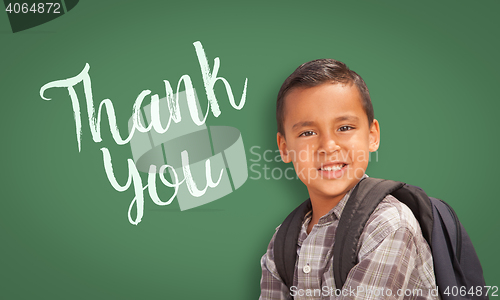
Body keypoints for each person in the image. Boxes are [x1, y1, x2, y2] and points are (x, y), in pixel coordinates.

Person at [259, 59, 439, 299]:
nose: (328, 146)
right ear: (284, 148)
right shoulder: (282, 243)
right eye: (308, 133)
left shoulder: (388, 224)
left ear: (372, 135)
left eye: (344, 127)